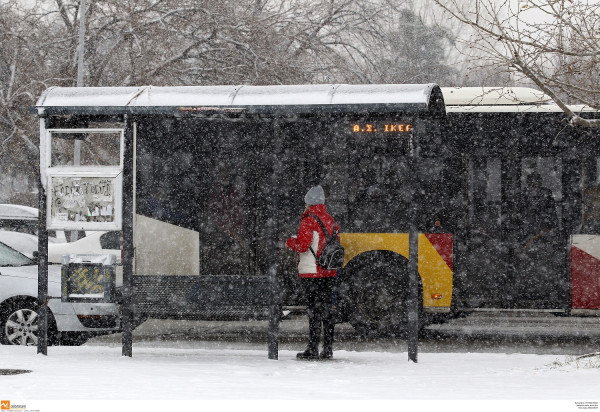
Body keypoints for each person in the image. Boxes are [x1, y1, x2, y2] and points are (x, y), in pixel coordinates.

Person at [286, 185, 339, 360]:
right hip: (329, 270)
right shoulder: (330, 219)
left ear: (309, 203)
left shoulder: (308, 220)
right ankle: (328, 348)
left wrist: (289, 242)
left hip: (312, 272)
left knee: (314, 311)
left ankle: (312, 348)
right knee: (327, 310)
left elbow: (302, 245)